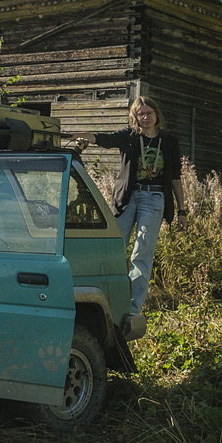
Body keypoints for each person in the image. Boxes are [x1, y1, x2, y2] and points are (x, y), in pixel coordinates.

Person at [70, 96, 188, 318]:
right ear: (135, 117)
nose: (145, 118)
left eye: (149, 113)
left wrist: (182, 210)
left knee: (141, 253)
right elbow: (103, 138)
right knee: (113, 249)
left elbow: (175, 178)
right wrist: (79, 137)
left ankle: (132, 311)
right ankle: (104, 304)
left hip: (154, 199)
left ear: (156, 115)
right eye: (140, 114)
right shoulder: (129, 137)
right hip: (127, 199)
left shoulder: (169, 141)